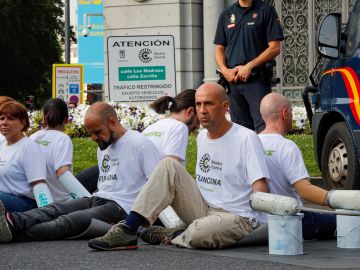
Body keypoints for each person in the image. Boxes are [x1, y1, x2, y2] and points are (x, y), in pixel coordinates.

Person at [88, 82, 270, 251]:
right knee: (169, 165)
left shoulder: (246, 138)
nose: (202, 110)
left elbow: (260, 188)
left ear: (224, 107)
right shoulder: (202, 137)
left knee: (201, 233)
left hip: (237, 217)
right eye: (198, 105)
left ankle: (176, 234)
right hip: (205, 210)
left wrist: (264, 224)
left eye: (208, 104)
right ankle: (128, 229)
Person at [0, 102, 160, 243]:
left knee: (67, 221)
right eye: (90, 133)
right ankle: (11, 221)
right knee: (54, 209)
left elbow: (157, 186)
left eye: (97, 131)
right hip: (99, 198)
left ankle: (13, 233)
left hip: (122, 208)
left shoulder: (140, 143)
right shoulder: (103, 146)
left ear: (112, 122)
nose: (92, 138)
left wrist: (146, 221)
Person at [77, 89, 199, 193]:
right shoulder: (179, 127)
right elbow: (171, 170)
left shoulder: (154, 125)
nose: (198, 126)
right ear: (190, 112)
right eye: (198, 120)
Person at [258, 93, 336, 240]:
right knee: (347, 224)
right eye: (291, 112)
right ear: (285, 113)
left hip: (259, 219)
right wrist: (337, 200)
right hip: (290, 219)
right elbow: (304, 190)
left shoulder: (252, 142)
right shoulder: (286, 147)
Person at [214, 0, 284, 133]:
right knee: (240, 129)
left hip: (256, 80)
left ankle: (264, 153)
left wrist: (250, 66)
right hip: (233, 82)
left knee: (263, 125)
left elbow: (275, 48)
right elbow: (219, 48)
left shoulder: (266, 11)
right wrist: (224, 70)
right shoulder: (227, 14)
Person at [30, 98, 89, 202]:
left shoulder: (32, 138)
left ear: (44, 118)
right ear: (66, 119)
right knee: (95, 172)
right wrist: (87, 200)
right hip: (61, 201)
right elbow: (62, 173)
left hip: (37, 198)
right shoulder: (63, 139)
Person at [0, 101, 52, 212]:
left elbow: (39, 184)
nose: (4, 122)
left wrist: (47, 213)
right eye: (2, 118)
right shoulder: (1, 144)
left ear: (23, 123)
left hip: (24, 204)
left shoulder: (29, 147)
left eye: (10, 118)